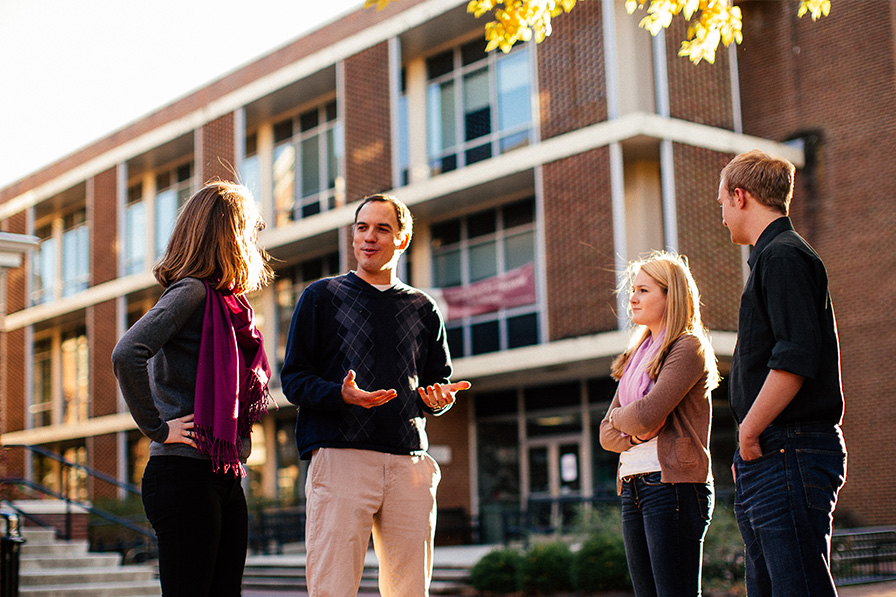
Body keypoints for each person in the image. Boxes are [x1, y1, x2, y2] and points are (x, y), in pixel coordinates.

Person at [280, 193, 471, 597]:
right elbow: (294, 380)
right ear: (353, 237)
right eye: (362, 227)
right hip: (340, 458)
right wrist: (341, 395)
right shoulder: (321, 296)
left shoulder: (424, 307)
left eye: (382, 228)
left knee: (409, 590)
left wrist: (439, 399)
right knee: (333, 587)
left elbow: (437, 383)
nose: (369, 237)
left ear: (402, 239)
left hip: (409, 464)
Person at [112, 180, 273, 596]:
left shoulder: (229, 306)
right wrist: (159, 428)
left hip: (221, 473)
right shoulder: (192, 293)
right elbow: (127, 353)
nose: (255, 239)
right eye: (250, 229)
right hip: (182, 472)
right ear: (229, 235)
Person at [718, 149, 847, 596]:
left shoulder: (783, 257)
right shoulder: (773, 258)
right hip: (775, 453)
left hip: (787, 449)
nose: (722, 218)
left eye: (722, 205)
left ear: (741, 196)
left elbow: (795, 357)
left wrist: (748, 433)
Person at [599, 251, 719, 597]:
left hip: (673, 486)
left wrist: (629, 420)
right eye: (632, 290)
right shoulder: (636, 356)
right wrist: (633, 423)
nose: (632, 298)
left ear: (672, 295)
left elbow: (646, 416)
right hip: (634, 484)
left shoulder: (688, 347)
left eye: (644, 290)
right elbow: (607, 433)